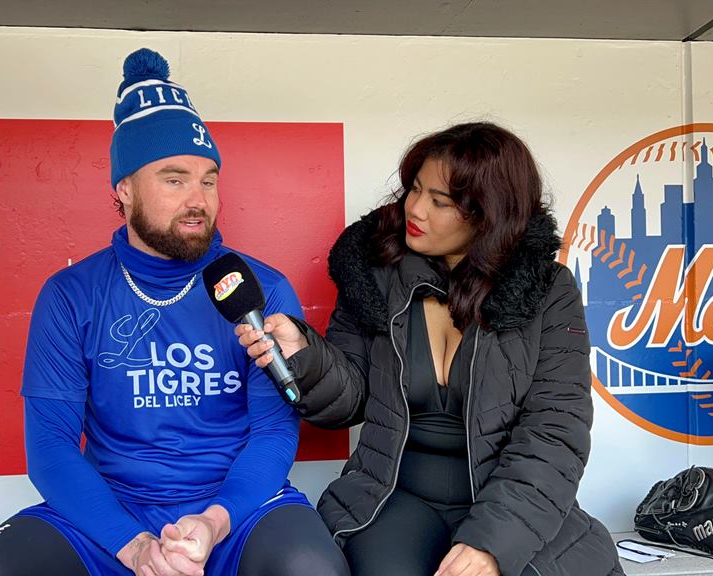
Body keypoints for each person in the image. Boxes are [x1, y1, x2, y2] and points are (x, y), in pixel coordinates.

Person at [0, 48, 349, 576]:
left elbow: (274, 434)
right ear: (124, 190)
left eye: (208, 179)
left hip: (237, 513)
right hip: (110, 513)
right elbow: (49, 447)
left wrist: (213, 523)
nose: (198, 198)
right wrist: (132, 546)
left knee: (312, 570)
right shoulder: (70, 294)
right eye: (174, 179)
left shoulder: (259, 289)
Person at [236, 122, 624, 576]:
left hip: (506, 498)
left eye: (440, 202)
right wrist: (305, 355)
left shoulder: (547, 290)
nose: (414, 209)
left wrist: (492, 545)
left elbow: (555, 433)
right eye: (414, 189)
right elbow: (348, 402)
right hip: (392, 496)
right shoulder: (374, 273)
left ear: (488, 214)